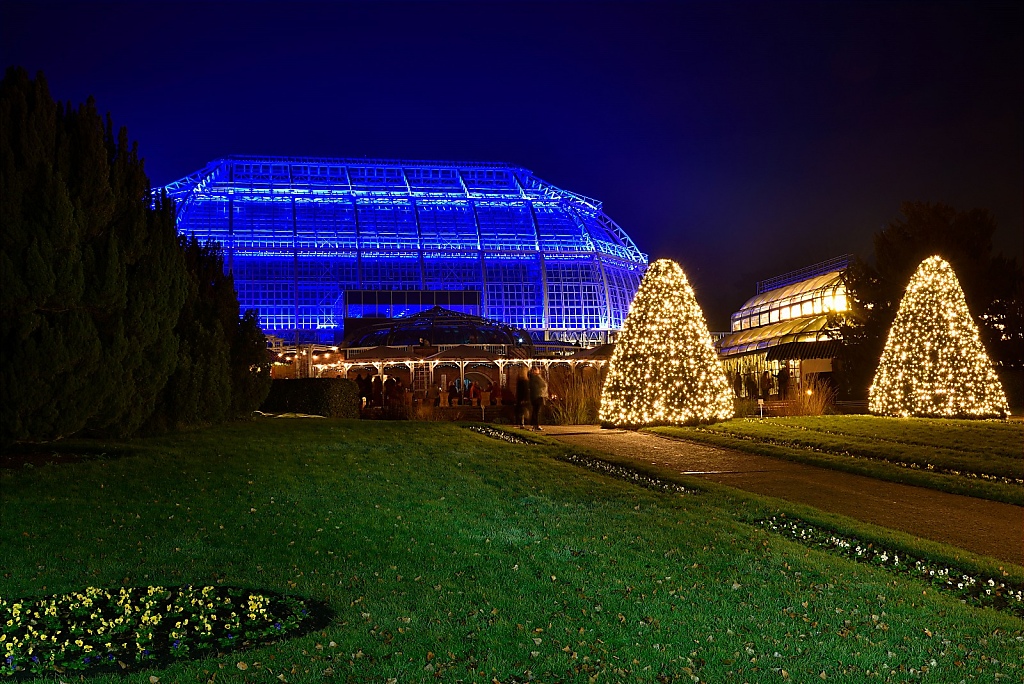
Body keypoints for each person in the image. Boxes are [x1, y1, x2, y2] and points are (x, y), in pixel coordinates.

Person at [528, 367, 548, 431]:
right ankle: (536, 425)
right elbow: (543, 384)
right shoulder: (536, 377)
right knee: (537, 412)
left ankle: (534, 425)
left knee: (535, 411)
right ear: (534, 371)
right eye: (537, 369)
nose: (539, 370)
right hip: (538, 396)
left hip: (535, 396)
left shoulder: (532, 378)